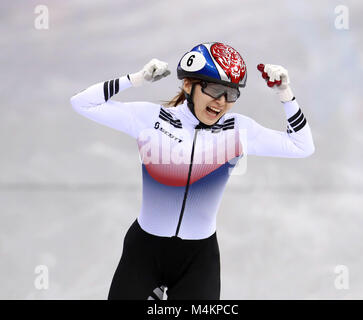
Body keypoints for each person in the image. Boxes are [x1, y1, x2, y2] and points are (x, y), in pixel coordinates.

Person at [70, 42, 315, 300]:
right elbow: (82, 103)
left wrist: (285, 94)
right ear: (188, 85)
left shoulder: (239, 130)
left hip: (198, 261)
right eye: (215, 89)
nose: (221, 102)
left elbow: (302, 146)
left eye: (231, 94)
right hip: (144, 253)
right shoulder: (152, 119)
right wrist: (136, 79)